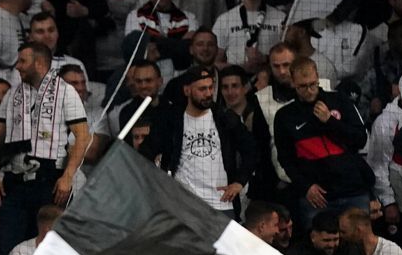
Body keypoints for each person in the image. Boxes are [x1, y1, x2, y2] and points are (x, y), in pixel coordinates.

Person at [0, 41, 89, 255]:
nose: (17, 66)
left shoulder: (66, 92)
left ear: (39, 63)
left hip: (49, 179)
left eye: (23, 61)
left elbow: (82, 137)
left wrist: (68, 176)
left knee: (47, 247)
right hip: (15, 180)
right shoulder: (12, 95)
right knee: (8, 244)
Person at [139, 64, 256, 216]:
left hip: (220, 204)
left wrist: (239, 182)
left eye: (210, 88)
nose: (208, 93)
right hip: (183, 205)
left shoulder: (225, 118)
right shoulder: (171, 119)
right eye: (202, 89)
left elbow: (252, 150)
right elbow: (146, 151)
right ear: (187, 90)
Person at [273, 56, 371, 230]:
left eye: (312, 84)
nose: (309, 90)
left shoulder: (339, 100)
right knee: (320, 246)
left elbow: (360, 139)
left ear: (318, 78)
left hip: (352, 190)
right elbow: (286, 160)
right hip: (317, 198)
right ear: (293, 83)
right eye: (303, 86)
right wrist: (306, 187)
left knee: (359, 244)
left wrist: (330, 121)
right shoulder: (285, 116)